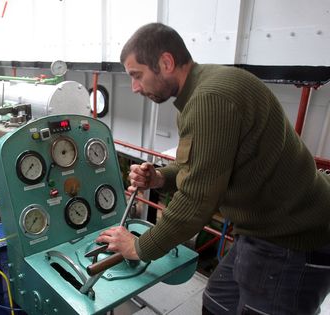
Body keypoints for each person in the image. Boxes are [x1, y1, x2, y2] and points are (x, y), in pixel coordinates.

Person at [95, 22, 330, 314]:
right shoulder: (201, 92)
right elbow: (196, 166)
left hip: (293, 237)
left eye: (137, 75)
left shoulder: (211, 98)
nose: (135, 87)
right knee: (217, 304)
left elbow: (196, 202)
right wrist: (158, 178)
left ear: (166, 62)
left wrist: (139, 247)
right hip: (258, 230)